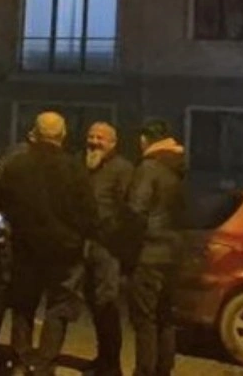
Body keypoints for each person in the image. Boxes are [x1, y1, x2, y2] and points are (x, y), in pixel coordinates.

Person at [0, 111, 97, 376]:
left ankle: (21, 360)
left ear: (35, 133)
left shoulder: (17, 166)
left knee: (23, 304)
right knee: (59, 306)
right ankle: (45, 362)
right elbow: (88, 210)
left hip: (26, 246)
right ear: (63, 135)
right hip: (65, 249)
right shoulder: (74, 168)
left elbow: (3, 203)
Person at [124, 119, 188, 376]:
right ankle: (164, 369)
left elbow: (135, 211)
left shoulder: (149, 167)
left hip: (149, 253)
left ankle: (145, 371)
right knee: (165, 316)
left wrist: (127, 247)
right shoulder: (177, 168)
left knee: (145, 319)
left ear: (144, 140)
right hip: (174, 254)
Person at [0, 128, 37, 368]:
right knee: (15, 290)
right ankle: (15, 348)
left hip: (12, 231)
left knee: (4, 289)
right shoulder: (20, 159)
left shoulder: (11, 158)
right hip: (18, 233)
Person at [84, 122, 135, 376]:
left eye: (100, 138)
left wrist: (111, 236)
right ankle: (102, 357)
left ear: (113, 143)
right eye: (91, 136)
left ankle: (111, 364)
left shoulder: (122, 169)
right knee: (93, 304)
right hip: (86, 246)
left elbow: (127, 210)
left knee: (107, 305)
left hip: (107, 248)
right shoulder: (85, 166)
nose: (94, 142)